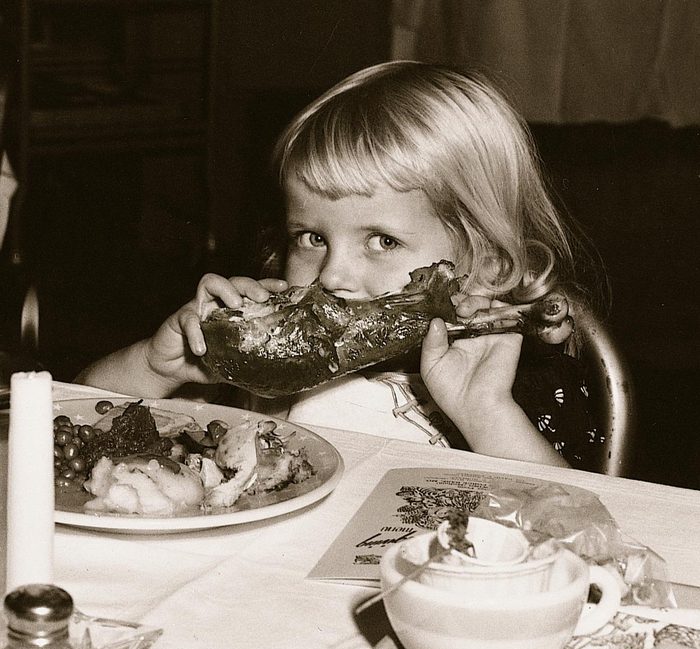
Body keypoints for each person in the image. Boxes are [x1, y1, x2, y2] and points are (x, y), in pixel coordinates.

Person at [76, 61, 605, 470]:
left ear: (486, 265)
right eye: (311, 237)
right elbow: (71, 420)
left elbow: (582, 539)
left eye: (381, 240)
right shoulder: (264, 358)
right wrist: (155, 366)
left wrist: (484, 411)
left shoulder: (517, 378)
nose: (331, 276)